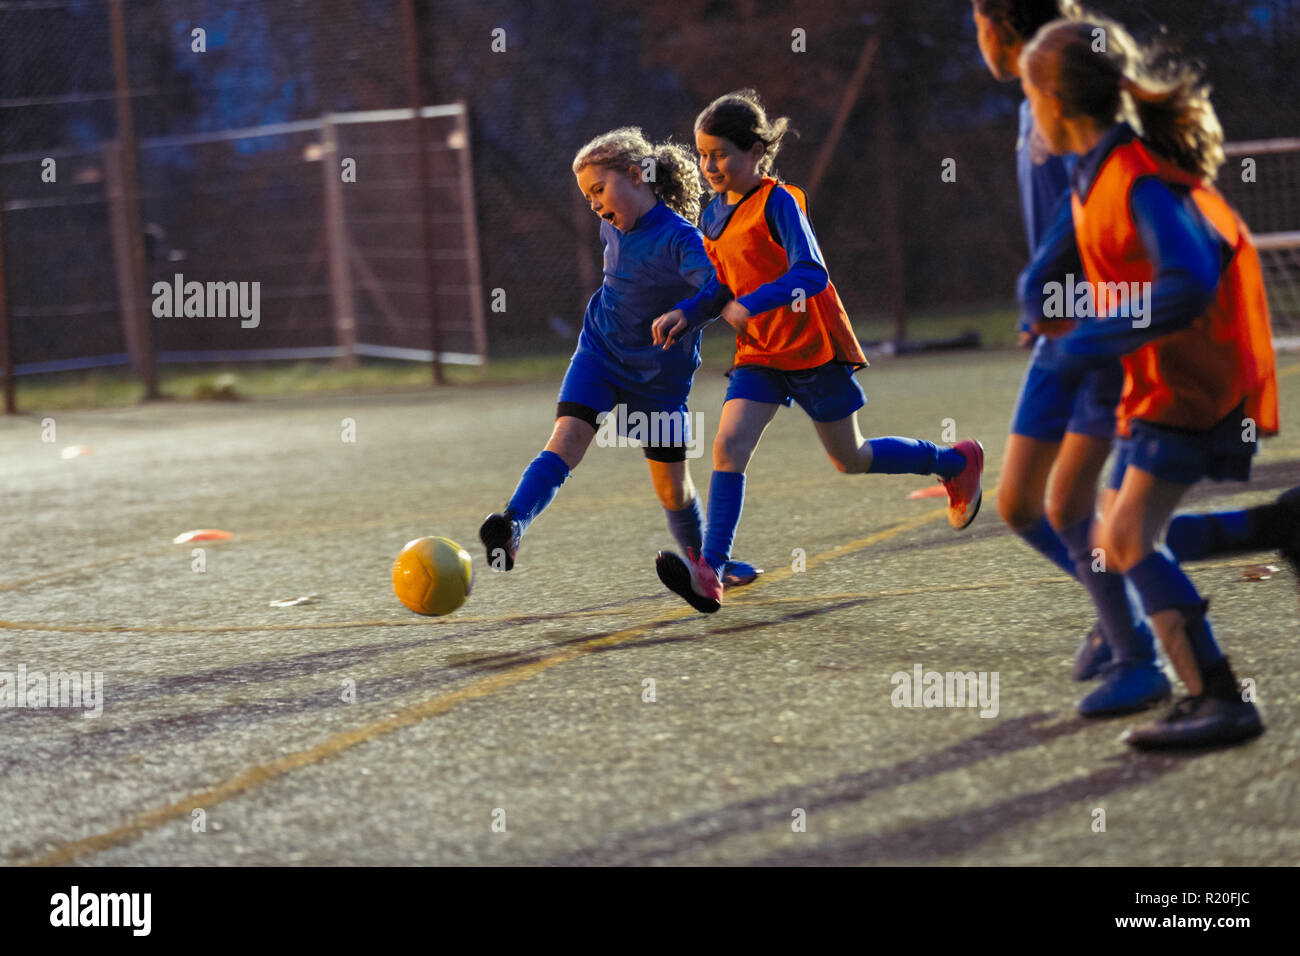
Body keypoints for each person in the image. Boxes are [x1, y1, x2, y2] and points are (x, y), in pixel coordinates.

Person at [1020, 15, 1279, 748]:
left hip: (1194, 380)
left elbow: (1190, 279)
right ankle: (1277, 526)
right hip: (1162, 379)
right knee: (1117, 534)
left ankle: (1222, 699)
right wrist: (1040, 285)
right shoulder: (1098, 168)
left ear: (1055, 100)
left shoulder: (1133, 173)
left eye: (1029, 89)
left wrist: (1085, 345)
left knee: (1126, 536)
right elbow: (1082, 239)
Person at [653, 90, 983, 615]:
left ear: (756, 151)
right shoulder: (713, 214)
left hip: (811, 349)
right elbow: (720, 287)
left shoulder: (779, 201)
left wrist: (755, 302)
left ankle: (953, 461)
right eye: (702, 154)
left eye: (720, 153)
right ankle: (711, 570)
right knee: (726, 447)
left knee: (850, 458)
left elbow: (812, 272)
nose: (708, 164)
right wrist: (688, 313)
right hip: (760, 353)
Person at [977, 0, 1170, 716]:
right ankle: (1121, 613)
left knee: (1072, 507)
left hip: (1099, 332)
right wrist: (1043, 302)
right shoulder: (1039, 98)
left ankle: (1139, 647)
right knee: (1023, 505)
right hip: (1063, 331)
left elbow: (1090, 207)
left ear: (996, 20)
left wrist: (1050, 289)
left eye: (975, 21)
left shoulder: (1064, 97)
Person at [479, 127, 759, 588]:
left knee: (673, 488)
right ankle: (511, 527)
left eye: (598, 190)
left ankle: (708, 568)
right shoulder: (612, 222)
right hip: (600, 354)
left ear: (636, 175)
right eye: (588, 196)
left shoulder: (680, 239)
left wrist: (689, 314)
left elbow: (720, 286)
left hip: (658, 380)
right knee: (566, 440)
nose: (594, 204)